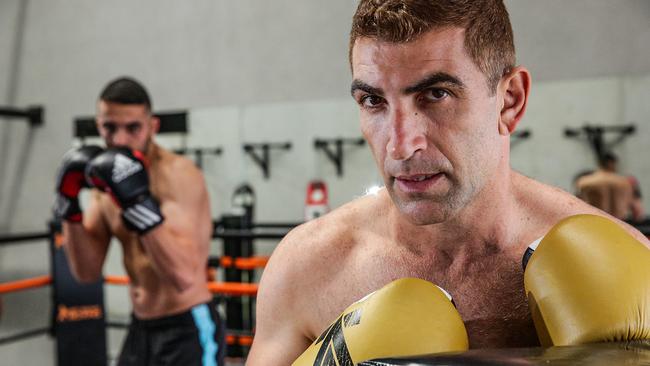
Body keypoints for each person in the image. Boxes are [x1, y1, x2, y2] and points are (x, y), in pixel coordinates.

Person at [246, 1, 650, 364]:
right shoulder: (310, 268)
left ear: (510, 100)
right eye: (374, 102)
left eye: (436, 94)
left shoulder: (637, 263)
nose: (401, 146)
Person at [53, 77, 224, 365]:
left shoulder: (179, 176)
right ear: (98, 126)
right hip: (140, 329)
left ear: (152, 127)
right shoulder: (103, 182)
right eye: (110, 128)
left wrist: (137, 203)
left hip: (187, 327)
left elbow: (183, 276)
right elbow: (86, 272)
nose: (119, 140)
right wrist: (68, 206)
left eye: (132, 128)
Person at [576, 152, 645, 221]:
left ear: (600, 163)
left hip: (595, 224)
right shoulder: (626, 183)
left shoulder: (584, 181)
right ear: (614, 163)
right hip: (619, 225)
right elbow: (637, 211)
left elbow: (576, 206)